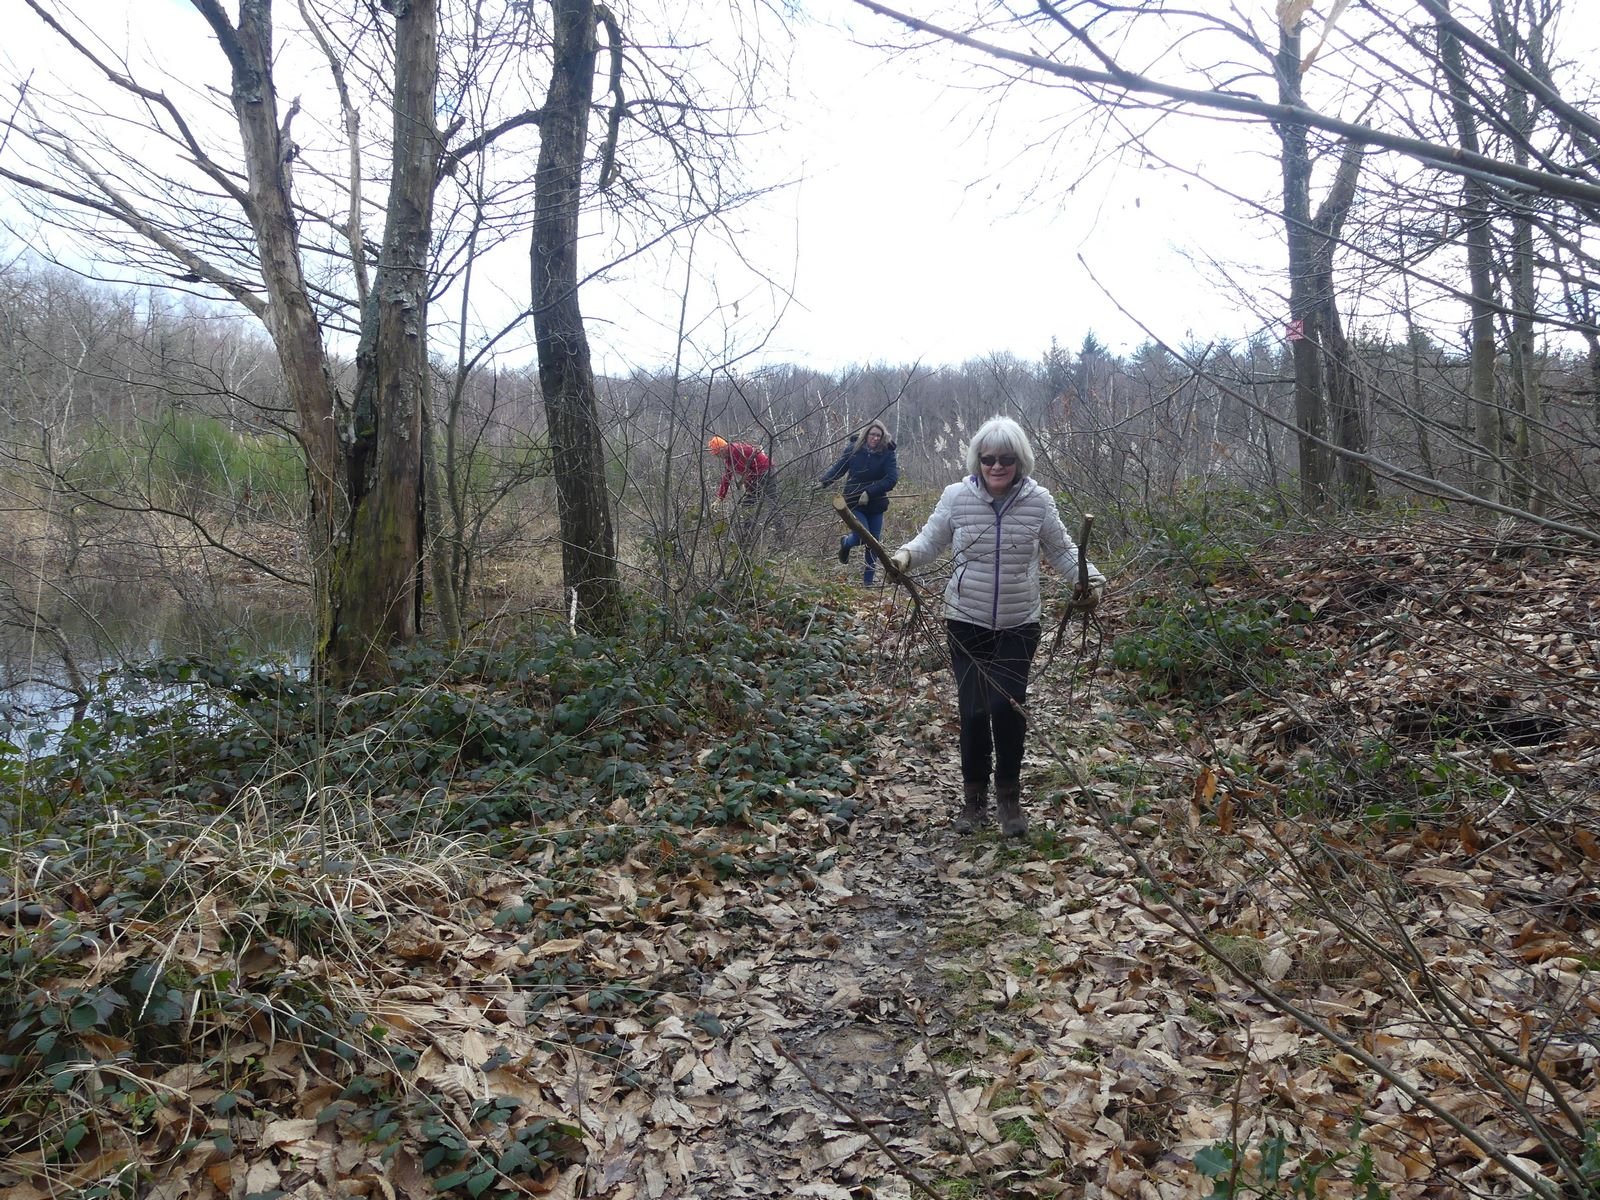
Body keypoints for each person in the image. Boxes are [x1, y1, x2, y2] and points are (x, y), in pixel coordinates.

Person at [889, 416, 1105, 837]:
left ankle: (1008, 797)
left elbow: (1063, 551)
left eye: (1006, 458)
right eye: (989, 459)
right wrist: (903, 558)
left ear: (1019, 460)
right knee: (973, 711)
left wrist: (1090, 581)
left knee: (1007, 708)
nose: (997, 466)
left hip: (1018, 623)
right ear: (978, 460)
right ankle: (973, 801)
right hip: (965, 621)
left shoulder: (1038, 501)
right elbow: (929, 540)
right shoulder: (956, 497)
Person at [816, 419, 899, 585]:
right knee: (862, 536)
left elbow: (892, 479)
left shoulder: (887, 453)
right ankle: (846, 543)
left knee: (874, 544)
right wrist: (823, 482)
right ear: (866, 434)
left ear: (882, 437)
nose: (875, 438)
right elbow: (839, 468)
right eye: (872, 434)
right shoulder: (853, 449)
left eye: (878, 435)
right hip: (854, 501)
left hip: (876, 503)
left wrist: (870, 491)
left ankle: (868, 584)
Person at [707, 435, 781, 539]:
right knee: (747, 505)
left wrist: (747, 485)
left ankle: (781, 535)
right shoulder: (728, 460)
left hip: (766, 471)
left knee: (771, 503)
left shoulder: (736, 450)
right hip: (756, 477)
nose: (718, 457)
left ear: (723, 449)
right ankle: (747, 537)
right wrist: (720, 498)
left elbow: (747, 472)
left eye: (718, 454)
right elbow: (727, 477)